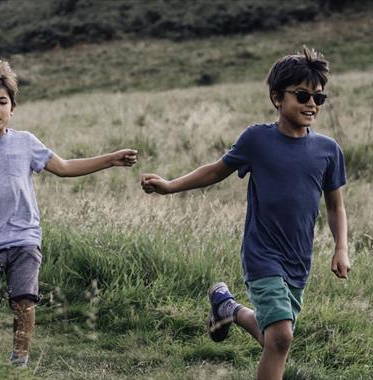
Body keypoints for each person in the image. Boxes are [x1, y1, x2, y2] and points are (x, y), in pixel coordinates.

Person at [0, 58, 138, 368]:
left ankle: (20, 360)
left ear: (12, 108)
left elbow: (65, 167)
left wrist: (110, 159)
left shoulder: (26, 143)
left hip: (25, 237)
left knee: (24, 300)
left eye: (2, 102)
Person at [140, 47, 349, 380]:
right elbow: (215, 171)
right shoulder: (257, 140)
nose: (312, 104)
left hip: (299, 260)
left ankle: (228, 308)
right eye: (303, 95)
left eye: (319, 98)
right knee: (281, 338)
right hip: (262, 254)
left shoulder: (328, 150)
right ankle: (230, 309)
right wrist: (169, 186)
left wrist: (341, 248)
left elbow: (335, 204)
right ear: (277, 97)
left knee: (273, 338)